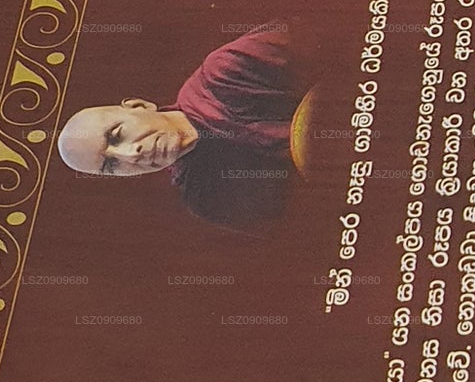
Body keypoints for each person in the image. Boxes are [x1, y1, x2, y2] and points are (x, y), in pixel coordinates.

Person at [56, 22, 308, 230]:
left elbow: (326, 37)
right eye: (111, 165)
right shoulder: (207, 197)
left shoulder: (227, 71)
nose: (131, 155)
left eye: (116, 135)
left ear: (139, 106)